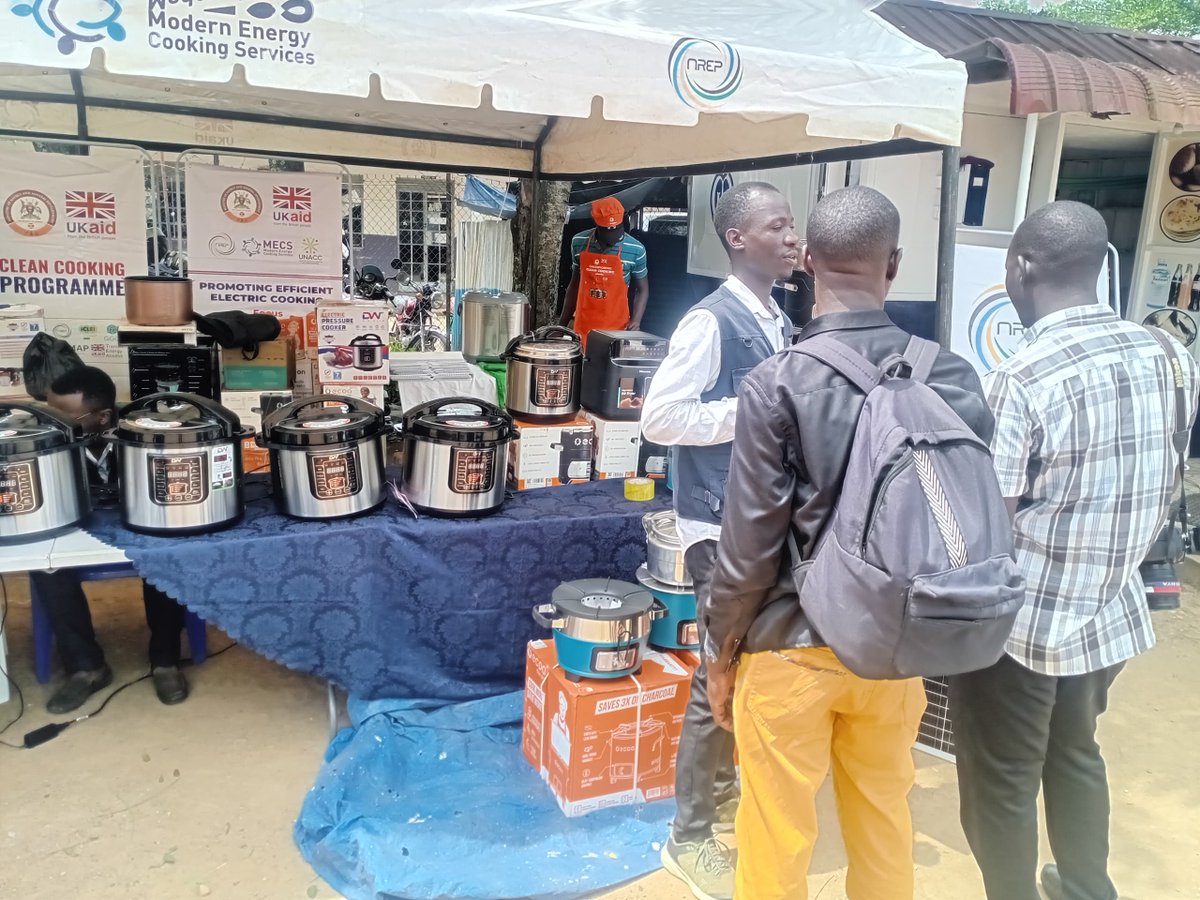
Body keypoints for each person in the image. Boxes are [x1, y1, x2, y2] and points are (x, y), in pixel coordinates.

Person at [703, 186, 994, 899]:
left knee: (774, 836)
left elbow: (748, 546)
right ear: (894, 263)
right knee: (882, 819)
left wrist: (720, 653)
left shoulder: (777, 381)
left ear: (807, 260)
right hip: (896, 648)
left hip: (789, 646)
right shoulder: (952, 376)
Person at [948, 201, 1199, 900]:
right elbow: (1167, 472)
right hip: (1110, 606)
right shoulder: (1170, 355)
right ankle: (1087, 888)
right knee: (1076, 751)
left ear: (1021, 267)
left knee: (1001, 781)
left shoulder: (1021, 377)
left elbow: (989, 526)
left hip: (1023, 627)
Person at [641, 182, 795, 900]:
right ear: (737, 239)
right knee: (717, 674)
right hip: (717, 526)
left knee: (747, 667)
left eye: (792, 226)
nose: (792, 238)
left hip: (758, 520)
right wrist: (751, 411)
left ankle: (725, 793)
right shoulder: (710, 322)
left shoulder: (778, 319)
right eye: (777, 226)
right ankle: (689, 836)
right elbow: (660, 418)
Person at [32, 366, 190, 713]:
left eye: (63, 417)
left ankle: (165, 660)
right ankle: (87, 667)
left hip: (136, 523)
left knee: (166, 555)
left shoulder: (146, 434)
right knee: (46, 565)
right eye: (49, 412)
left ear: (102, 417)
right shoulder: (48, 441)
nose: (52, 423)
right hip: (75, 525)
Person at [558, 197, 649, 346]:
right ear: (597, 225)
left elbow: (643, 289)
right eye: (607, 232)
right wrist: (561, 325)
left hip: (617, 328)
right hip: (584, 326)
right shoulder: (579, 242)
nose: (613, 238)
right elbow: (574, 286)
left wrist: (636, 320)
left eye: (617, 229)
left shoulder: (636, 249)